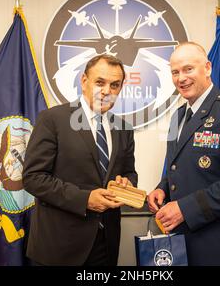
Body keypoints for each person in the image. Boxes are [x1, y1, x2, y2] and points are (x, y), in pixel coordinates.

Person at [148, 42, 220, 265]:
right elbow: (180, 167)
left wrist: (185, 208)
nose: (181, 78)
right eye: (175, 72)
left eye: (188, 69)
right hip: (183, 242)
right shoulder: (178, 117)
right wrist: (162, 188)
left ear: (207, 68)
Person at [22, 54, 137, 266]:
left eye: (114, 85)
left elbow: (130, 172)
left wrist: (126, 184)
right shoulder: (52, 119)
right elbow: (33, 178)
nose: (106, 91)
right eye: (100, 82)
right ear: (84, 81)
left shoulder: (124, 129)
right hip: (59, 247)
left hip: (105, 245)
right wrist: (84, 200)